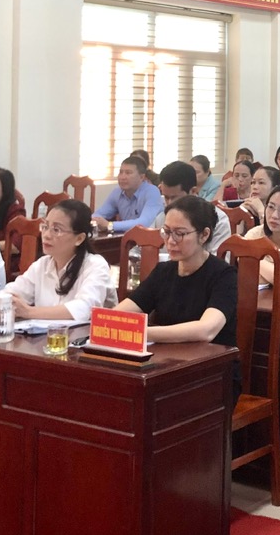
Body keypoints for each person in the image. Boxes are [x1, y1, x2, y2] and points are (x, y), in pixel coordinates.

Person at [117, 195, 239, 400]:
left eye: (180, 234)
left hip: (212, 375)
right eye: (166, 232)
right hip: (166, 367)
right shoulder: (163, 271)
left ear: (204, 235)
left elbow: (206, 330)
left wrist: (143, 333)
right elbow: (120, 313)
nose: (170, 241)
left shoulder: (223, 275)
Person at [0, 198, 110, 320]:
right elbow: (9, 294)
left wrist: (29, 312)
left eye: (56, 230)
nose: (46, 235)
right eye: (45, 227)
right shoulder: (42, 265)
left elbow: (85, 308)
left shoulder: (95, 266)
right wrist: (6, 302)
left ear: (79, 239)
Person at [159, 161, 230, 255]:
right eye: (166, 197)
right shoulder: (161, 217)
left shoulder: (218, 219)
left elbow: (218, 260)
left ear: (193, 191)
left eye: (174, 198)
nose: (169, 204)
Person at [93, 156, 163, 234]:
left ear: (141, 177)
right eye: (121, 172)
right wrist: (96, 221)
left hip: (149, 238)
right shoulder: (117, 192)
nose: (122, 177)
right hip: (126, 238)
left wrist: (110, 225)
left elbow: (144, 223)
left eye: (128, 173)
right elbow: (98, 214)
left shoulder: (152, 192)